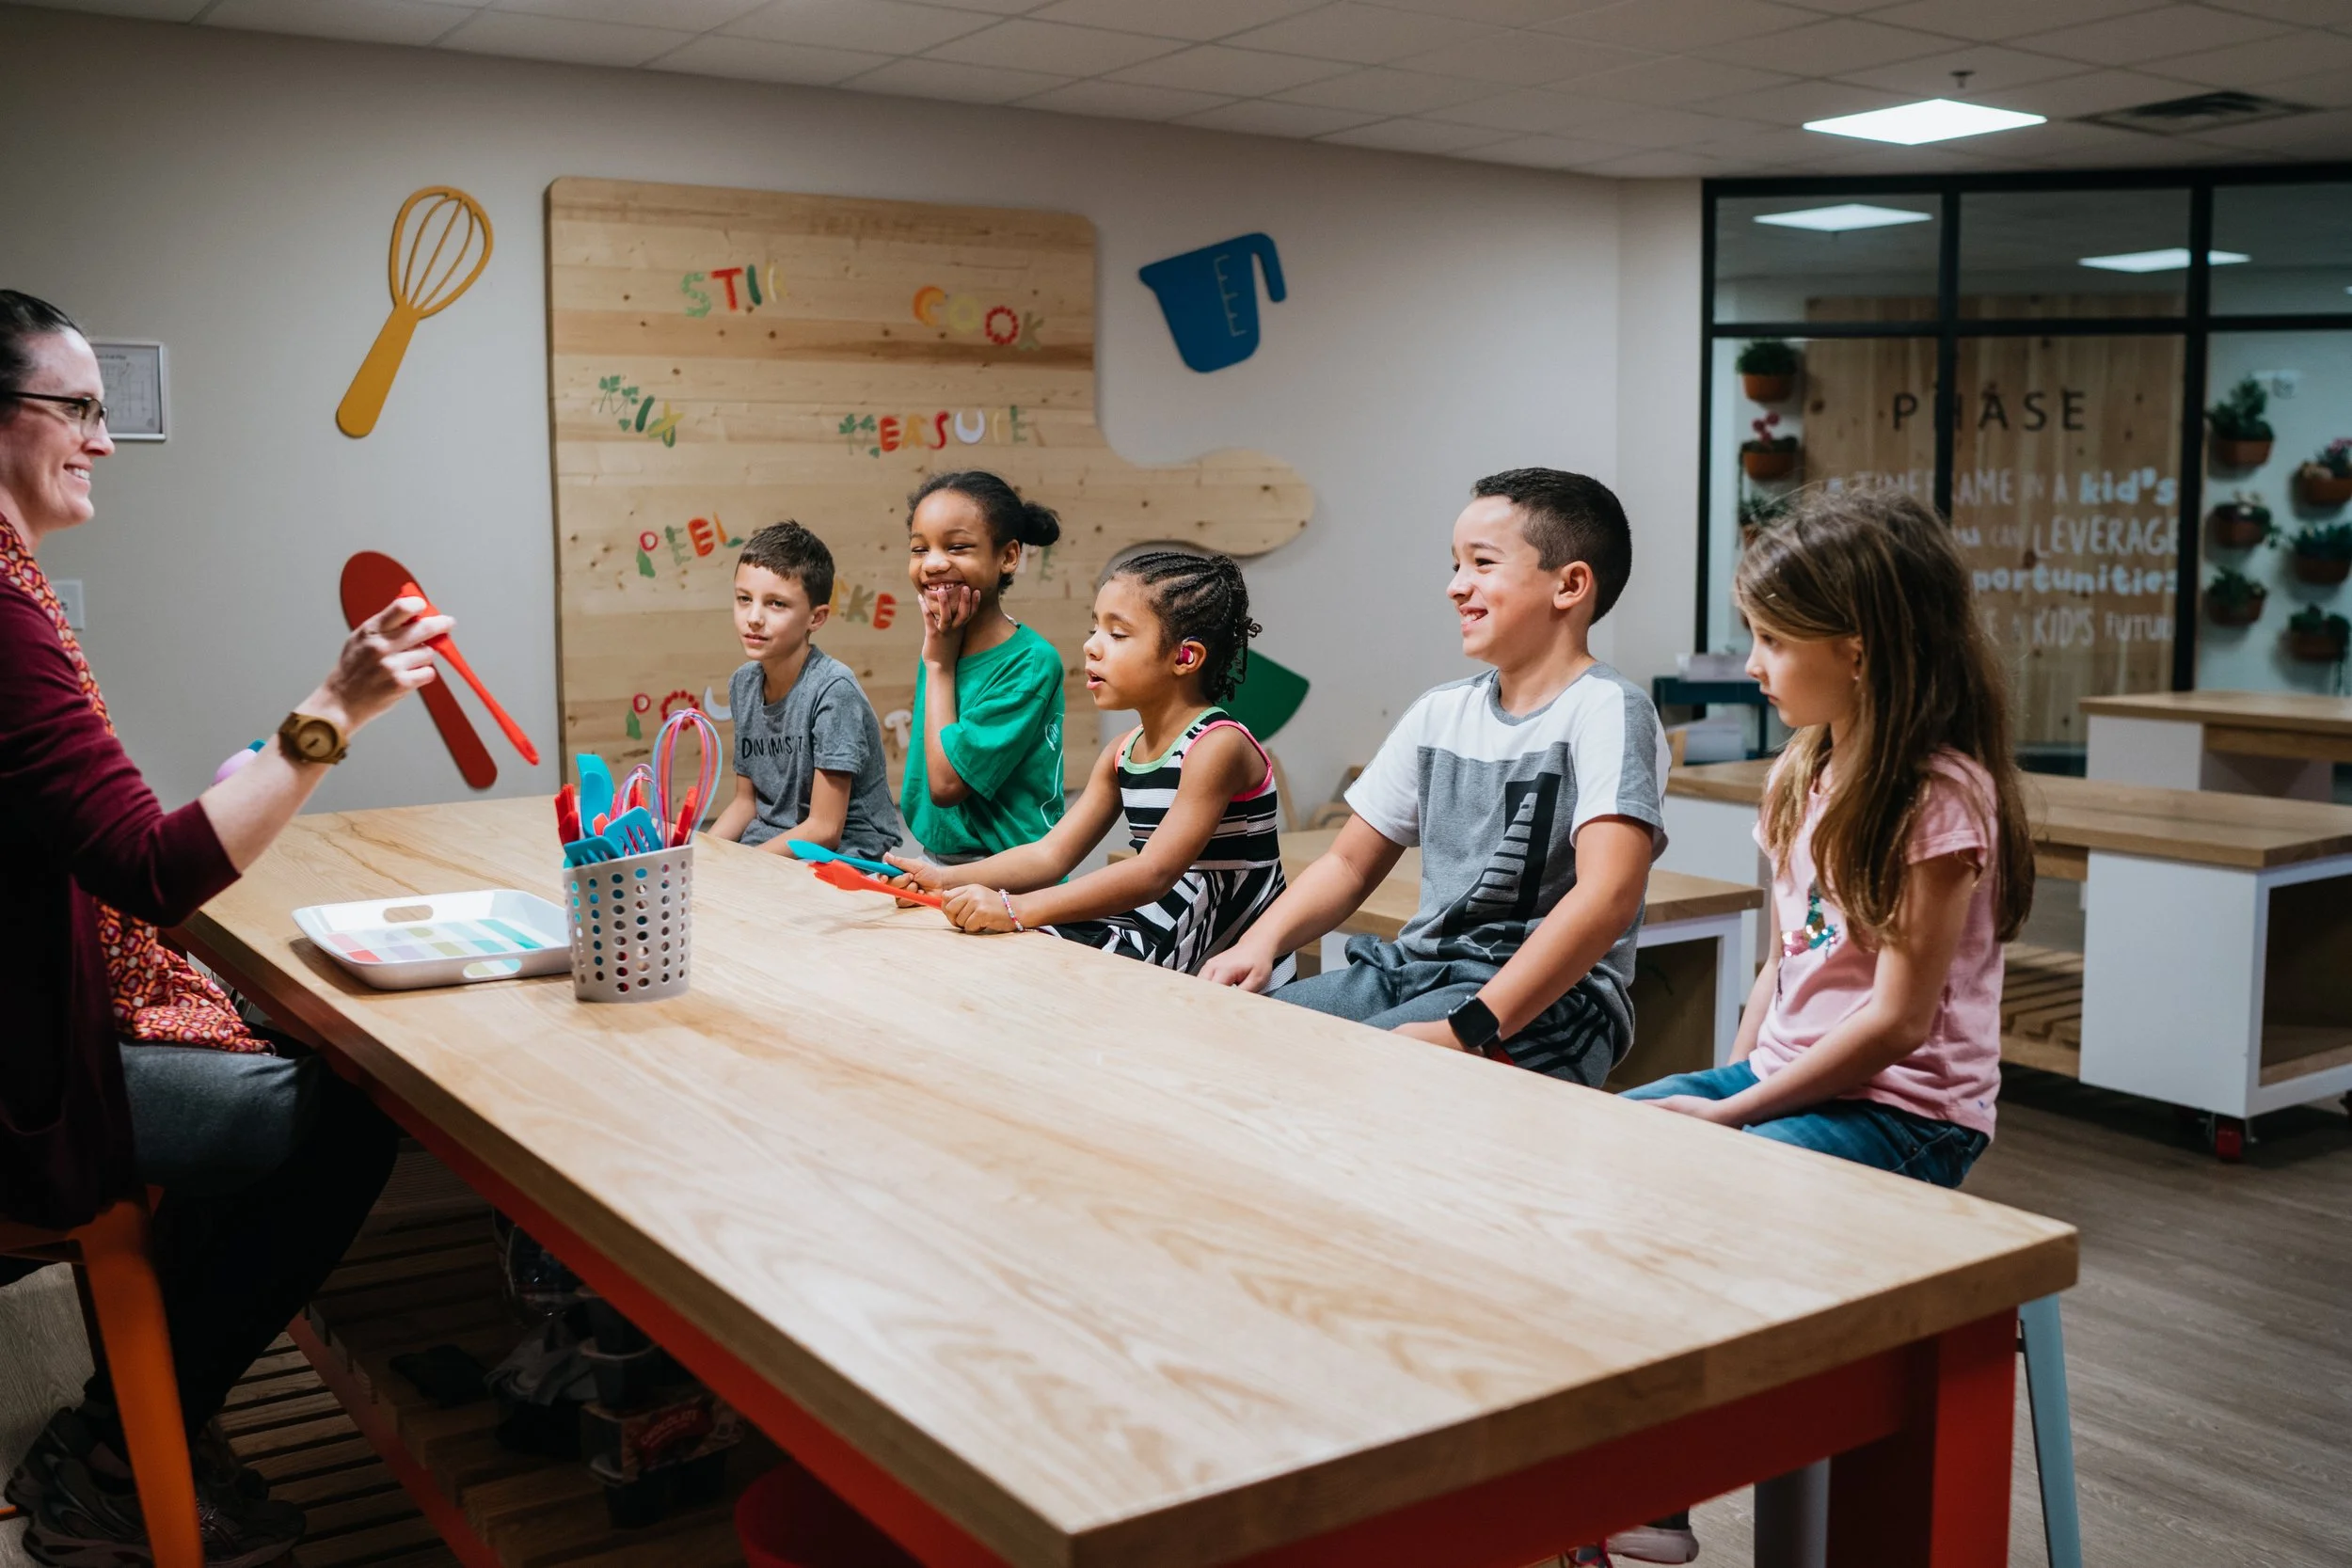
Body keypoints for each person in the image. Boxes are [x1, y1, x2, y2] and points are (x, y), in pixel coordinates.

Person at [0, 289, 449, 1565]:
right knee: (347, 1107)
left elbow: (99, 835)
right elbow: (151, 867)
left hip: (39, 1016)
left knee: (282, 1053)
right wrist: (330, 713)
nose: (104, 437)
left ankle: (151, 1415)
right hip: (30, 1078)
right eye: (76, 407)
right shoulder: (6, 613)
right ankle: (114, 1446)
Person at [1607, 486, 2034, 1567]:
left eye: (1769, 640)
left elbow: (1896, 1023)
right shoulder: (1805, 769)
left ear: (1854, 651)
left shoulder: (1938, 798)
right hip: (1796, 1078)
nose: (1751, 663)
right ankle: (1607, 1465)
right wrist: (1728, 1076)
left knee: (1703, 1187)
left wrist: (1738, 1110)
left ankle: (1660, 1488)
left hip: (1907, 1118)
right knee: (1599, 1152)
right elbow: (1783, 962)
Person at [1203, 469, 1664, 1087]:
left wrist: (1467, 1030)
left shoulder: (1608, 708)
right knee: (1240, 1040)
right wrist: (1259, 944)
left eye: (1482, 563)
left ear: (1570, 585)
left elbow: (1606, 898)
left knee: (1344, 1077)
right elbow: (1347, 865)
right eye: (1454, 564)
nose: (1455, 586)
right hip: (1416, 970)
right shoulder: (1440, 713)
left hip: (1550, 1005)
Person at [887, 551, 1286, 974]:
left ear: (1185, 658)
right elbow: (1050, 856)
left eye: (1117, 634)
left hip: (1221, 957)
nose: (1091, 646)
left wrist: (1016, 909)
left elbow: (1153, 872)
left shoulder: (1217, 745)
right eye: (1094, 627)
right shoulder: (1121, 752)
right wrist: (944, 879)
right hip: (1159, 929)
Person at [707, 521, 905, 861]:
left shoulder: (832, 690)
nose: (753, 617)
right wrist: (703, 856)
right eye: (744, 599)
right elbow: (744, 803)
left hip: (847, 852)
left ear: (817, 618)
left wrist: (743, 867)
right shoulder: (743, 684)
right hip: (774, 842)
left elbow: (825, 829)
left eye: (776, 604)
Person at [899, 471, 1066, 863]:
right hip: (938, 859)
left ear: (1007, 557)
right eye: (919, 549)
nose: (934, 563)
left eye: (957, 547)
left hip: (1008, 873)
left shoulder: (1030, 663)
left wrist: (938, 666)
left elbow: (945, 785)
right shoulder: (943, 642)